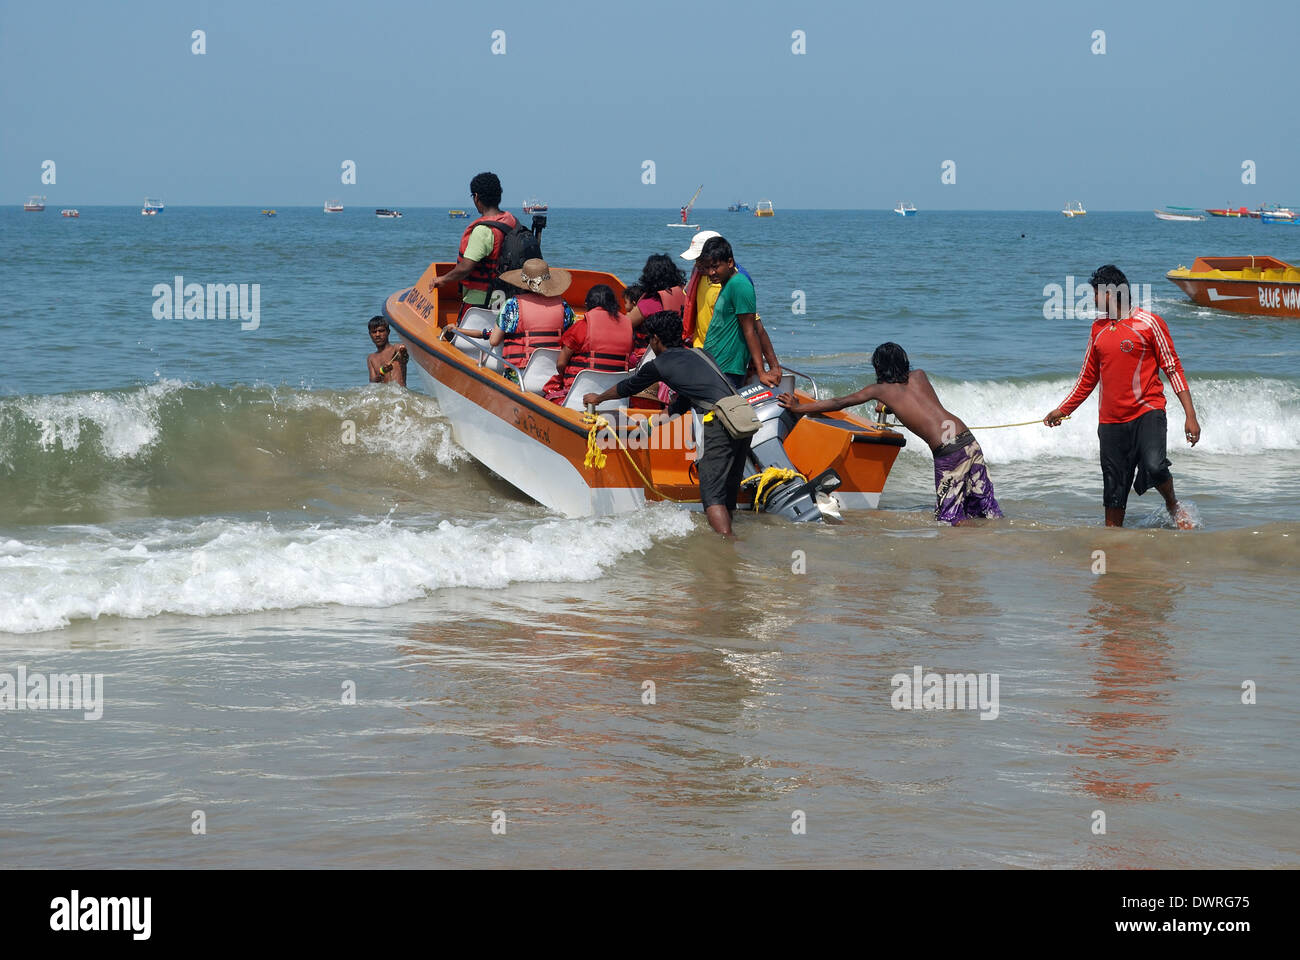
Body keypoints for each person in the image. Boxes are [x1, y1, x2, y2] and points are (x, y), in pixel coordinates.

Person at [1042, 265, 1200, 528]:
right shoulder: (1098, 328)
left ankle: (1172, 504)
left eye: (1095, 293)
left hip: (1147, 412)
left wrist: (1190, 416)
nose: (1092, 299)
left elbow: (1173, 368)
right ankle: (1114, 546)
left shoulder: (1150, 323)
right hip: (1111, 422)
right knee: (1114, 493)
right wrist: (1063, 409)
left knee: (1154, 466)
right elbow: (1087, 378)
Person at [779, 342, 1003, 525]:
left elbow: (839, 402)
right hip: (967, 439)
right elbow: (926, 406)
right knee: (984, 507)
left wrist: (798, 408)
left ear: (879, 368)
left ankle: (956, 567)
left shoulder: (879, 390)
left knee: (948, 518)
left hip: (949, 453)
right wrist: (887, 407)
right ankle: (996, 545)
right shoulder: (919, 376)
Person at [583, 311, 753, 538]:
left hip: (719, 424)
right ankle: (731, 543)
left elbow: (628, 387)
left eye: (649, 340)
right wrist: (661, 420)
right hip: (742, 419)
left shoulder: (659, 365)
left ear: (655, 339)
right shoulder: (700, 354)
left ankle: (725, 553)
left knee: (712, 497)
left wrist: (598, 398)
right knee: (727, 492)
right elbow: (689, 396)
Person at [429, 172, 518, 316]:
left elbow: (465, 268)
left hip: (480, 301)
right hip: (504, 296)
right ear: (499, 195)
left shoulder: (483, 231)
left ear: (476, 197)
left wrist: (443, 279)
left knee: (466, 335)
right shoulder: (510, 221)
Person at [697, 236, 781, 388]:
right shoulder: (726, 284)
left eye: (715, 267)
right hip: (715, 366)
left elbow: (753, 330)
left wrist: (763, 371)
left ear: (729, 263)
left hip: (728, 370)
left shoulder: (739, 285)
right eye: (708, 267)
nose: (711, 272)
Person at [543, 284, 632, 403]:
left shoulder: (581, 327)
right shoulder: (628, 327)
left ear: (587, 304)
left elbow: (561, 363)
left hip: (580, 394)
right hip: (616, 397)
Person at [622, 254, 689, 367]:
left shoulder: (650, 302)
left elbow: (622, 325)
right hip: (678, 352)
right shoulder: (681, 295)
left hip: (648, 357)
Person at [367, 316, 408, 385]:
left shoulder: (395, 349)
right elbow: (373, 382)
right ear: (370, 334)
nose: (377, 334)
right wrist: (382, 373)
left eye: (381, 331)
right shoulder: (371, 358)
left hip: (400, 394)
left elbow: (404, 356)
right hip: (384, 395)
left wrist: (403, 351)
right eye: (374, 332)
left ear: (388, 332)